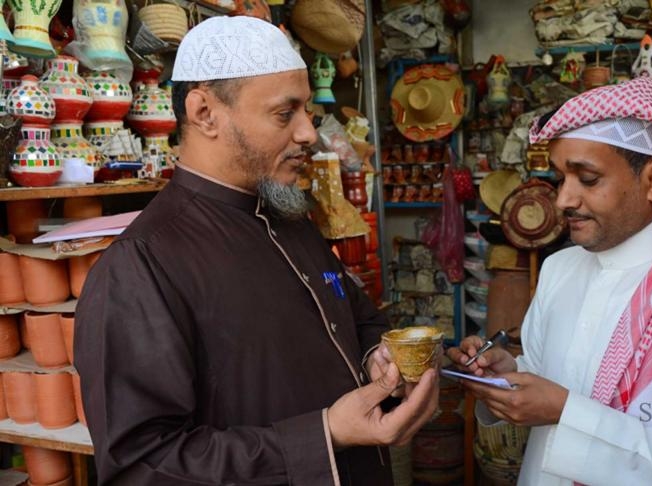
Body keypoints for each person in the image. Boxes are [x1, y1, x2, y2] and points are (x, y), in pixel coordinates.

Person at [74, 16, 439, 485]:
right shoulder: (142, 265)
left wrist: (378, 358)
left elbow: (357, 317)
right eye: (285, 113)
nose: (309, 133)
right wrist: (325, 434)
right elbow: (142, 466)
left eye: (306, 110)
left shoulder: (290, 218)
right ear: (205, 113)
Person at [448, 77, 652, 484]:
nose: (563, 199)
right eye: (560, 177)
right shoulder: (560, 269)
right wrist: (505, 371)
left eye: (588, 178)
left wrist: (568, 412)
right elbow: (550, 374)